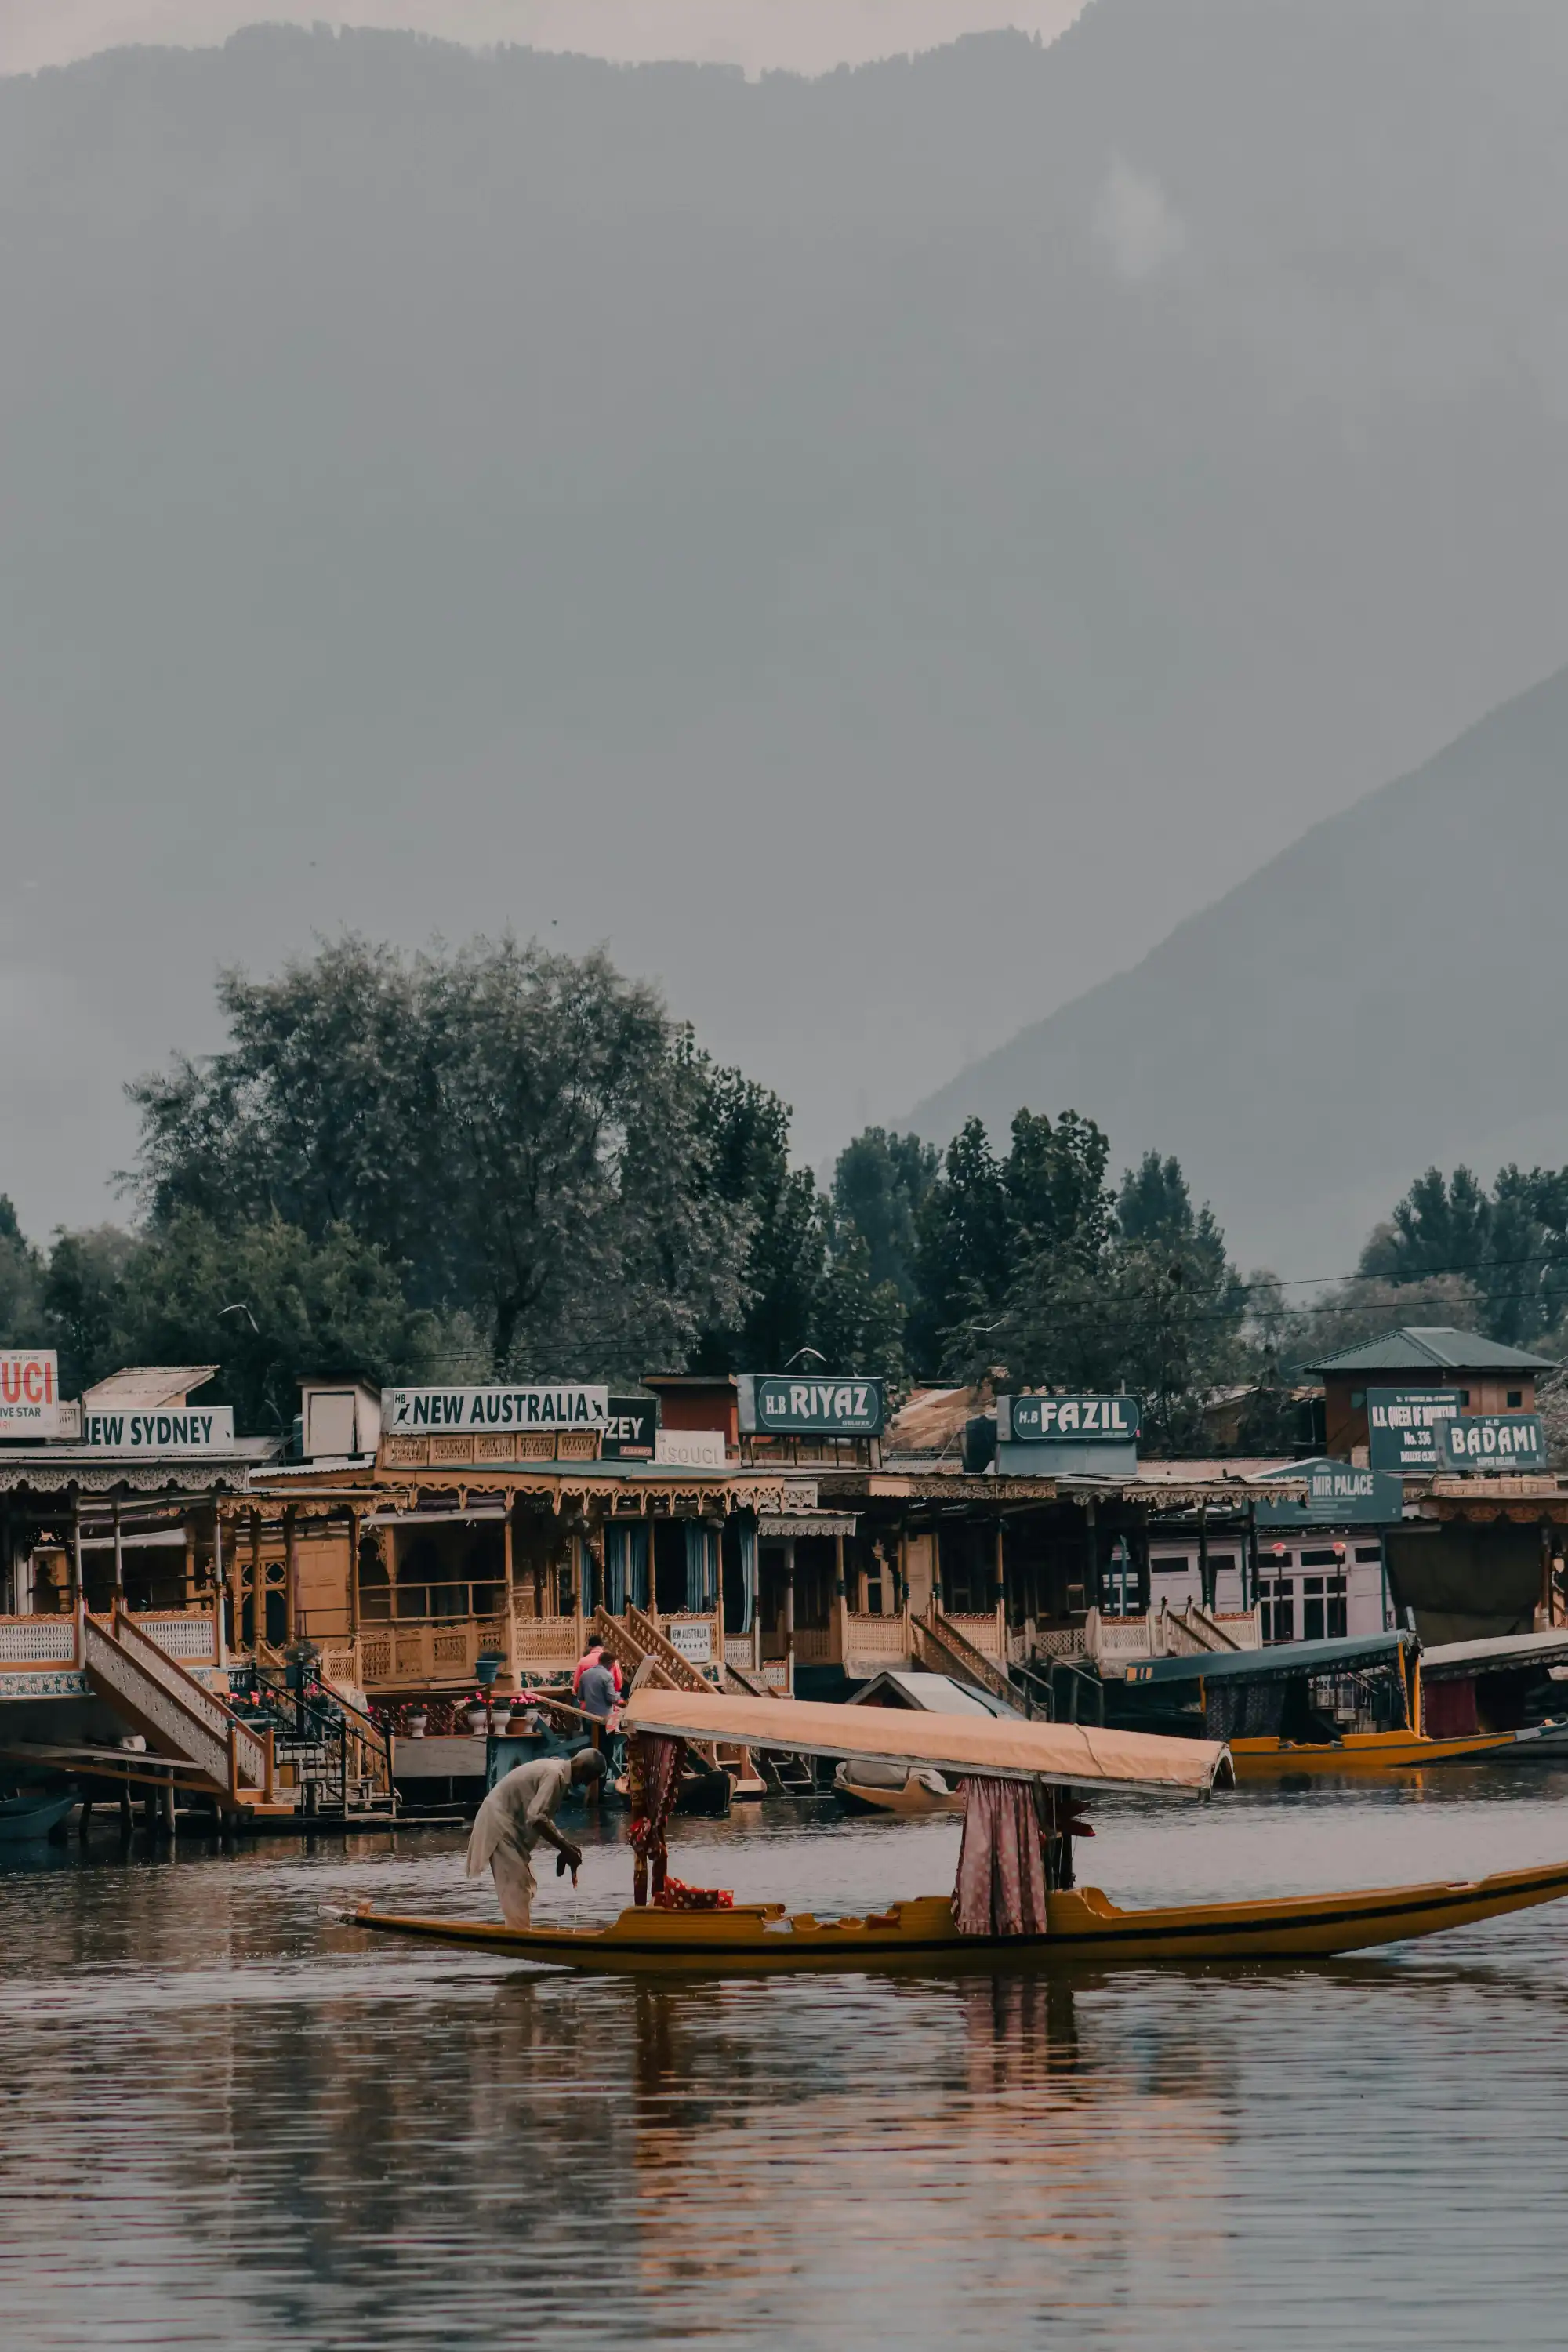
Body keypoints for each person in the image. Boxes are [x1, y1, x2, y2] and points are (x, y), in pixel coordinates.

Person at [465, 1748, 608, 1929]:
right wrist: (564, 1848)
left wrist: (566, 1847)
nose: (588, 1784)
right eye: (592, 1777)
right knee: (516, 1889)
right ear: (582, 1767)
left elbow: (542, 1817)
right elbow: (537, 1818)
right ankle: (519, 1940)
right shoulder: (555, 1775)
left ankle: (521, 1935)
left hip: (511, 1828)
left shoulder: (558, 1773)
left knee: (526, 1884)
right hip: (499, 1825)